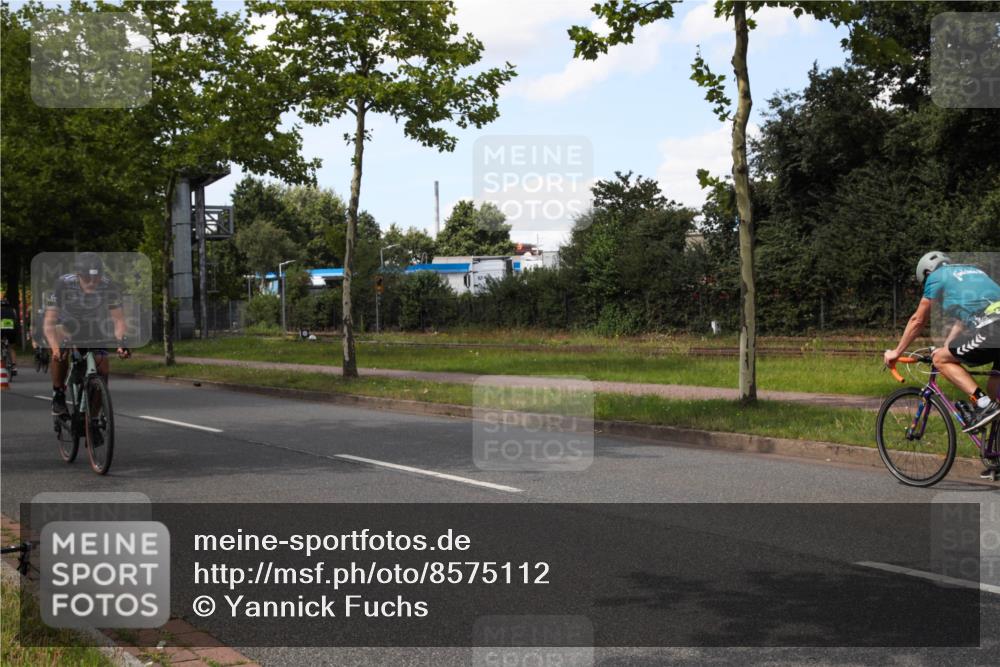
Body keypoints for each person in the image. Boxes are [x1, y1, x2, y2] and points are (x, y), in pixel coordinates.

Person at [884, 252, 1000, 437]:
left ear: (928, 272)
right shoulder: (973, 271)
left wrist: (896, 352)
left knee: (940, 360)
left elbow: (917, 320)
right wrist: (947, 346)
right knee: (995, 388)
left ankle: (983, 403)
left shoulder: (936, 277)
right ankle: (995, 452)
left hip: (992, 330)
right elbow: (961, 322)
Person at [44, 253, 130, 416]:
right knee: (61, 347)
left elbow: (118, 320)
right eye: (87, 279)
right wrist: (55, 348)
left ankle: (93, 420)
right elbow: (49, 321)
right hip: (66, 322)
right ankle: (58, 394)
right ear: (78, 275)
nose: (92, 283)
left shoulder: (108, 285)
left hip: (92, 324)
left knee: (102, 369)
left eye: (96, 278)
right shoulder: (64, 283)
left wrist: (121, 343)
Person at [0, 296, 19, 375]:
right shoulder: (13, 310)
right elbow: (16, 319)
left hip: (1, 330)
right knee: (11, 348)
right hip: (12, 330)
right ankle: (14, 367)